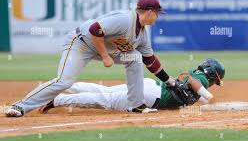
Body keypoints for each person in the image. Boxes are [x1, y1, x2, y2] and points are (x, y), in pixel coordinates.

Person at [6, 0, 177, 117]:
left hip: (102, 49)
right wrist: (105, 56)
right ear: (148, 12)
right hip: (80, 44)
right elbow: (95, 29)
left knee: (136, 58)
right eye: (156, 13)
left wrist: (170, 81)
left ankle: (136, 106)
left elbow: (150, 61)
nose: (157, 17)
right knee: (64, 81)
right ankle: (20, 106)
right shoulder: (125, 19)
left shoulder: (142, 35)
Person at [39, 58, 225, 113]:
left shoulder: (195, 74)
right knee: (106, 100)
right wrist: (210, 98)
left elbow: (194, 93)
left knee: (106, 92)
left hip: (151, 87)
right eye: (215, 81)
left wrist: (208, 102)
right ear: (211, 74)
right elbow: (194, 84)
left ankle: (66, 85)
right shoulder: (199, 79)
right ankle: (59, 99)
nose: (213, 84)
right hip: (151, 96)